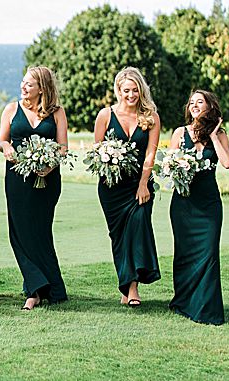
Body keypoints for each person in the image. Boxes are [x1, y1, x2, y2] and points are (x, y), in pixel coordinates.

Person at [0, 66, 69, 310]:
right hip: (17, 179)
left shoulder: (57, 113)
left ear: (42, 88)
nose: (23, 87)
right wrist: (5, 147)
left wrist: (49, 166)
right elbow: (1, 140)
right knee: (20, 232)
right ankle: (35, 290)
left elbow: (62, 147)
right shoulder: (11, 109)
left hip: (47, 180)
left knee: (40, 232)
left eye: (29, 84)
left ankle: (48, 287)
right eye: (23, 82)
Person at [93, 66, 162, 307]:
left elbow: (150, 154)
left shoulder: (151, 117)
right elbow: (97, 151)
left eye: (135, 90)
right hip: (111, 188)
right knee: (120, 237)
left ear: (141, 90)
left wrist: (144, 184)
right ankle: (127, 287)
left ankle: (133, 289)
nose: (130, 95)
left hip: (139, 185)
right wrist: (109, 160)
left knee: (138, 228)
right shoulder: (105, 115)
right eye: (126, 90)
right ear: (118, 91)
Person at [167, 90, 229, 325]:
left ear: (209, 106)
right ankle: (184, 301)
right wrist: (179, 166)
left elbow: (226, 163)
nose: (195, 106)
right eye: (192, 103)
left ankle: (206, 308)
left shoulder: (220, 134)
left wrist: (214, 136)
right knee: (184, 254)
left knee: (208, 254)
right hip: (183, 203)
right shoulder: (179, 133)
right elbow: (168, 165)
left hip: (209, 205)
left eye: (200, 102)